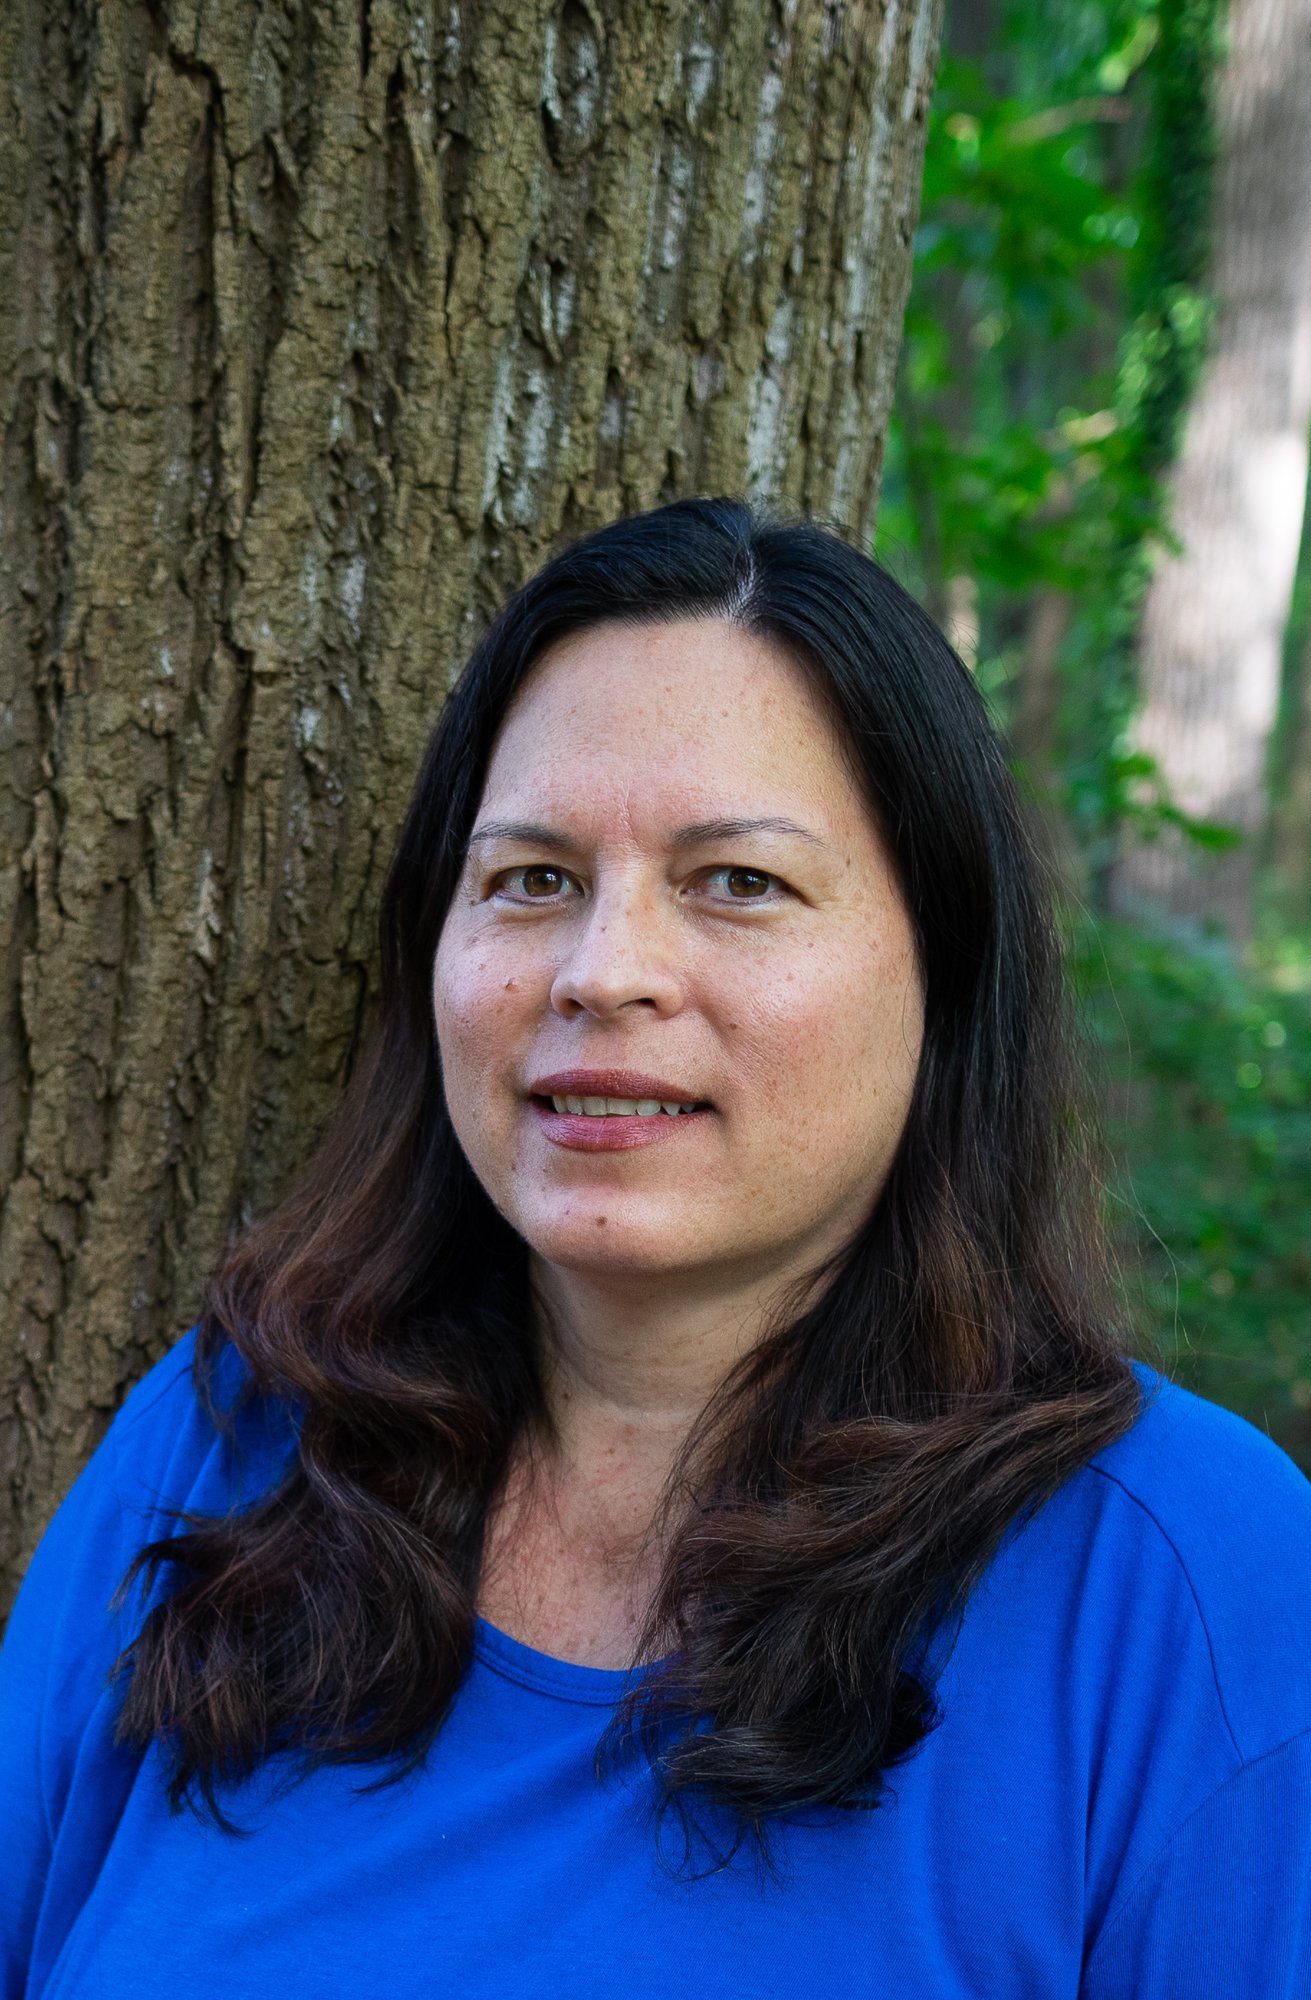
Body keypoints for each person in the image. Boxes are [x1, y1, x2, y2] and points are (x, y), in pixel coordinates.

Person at [2, 498, 1309, 2000]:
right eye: (532, 879)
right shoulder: (232, 1447)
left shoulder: (1182, 1590)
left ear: (944, 974)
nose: (603, 970)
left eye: (738, 882)